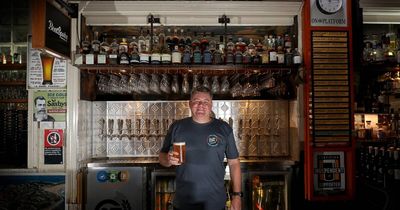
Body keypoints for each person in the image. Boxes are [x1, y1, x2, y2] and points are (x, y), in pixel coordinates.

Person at [159, 86, 242, 210]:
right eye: (196, 101)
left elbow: (234, 163)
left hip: (215, 203)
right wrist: (168, 160)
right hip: (183, 202)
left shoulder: (223, 128)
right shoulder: (177, 127)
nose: (201, 105)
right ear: (190, 103)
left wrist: (237, 196)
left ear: (211, 104)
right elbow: (162, 157)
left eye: (205, 101)